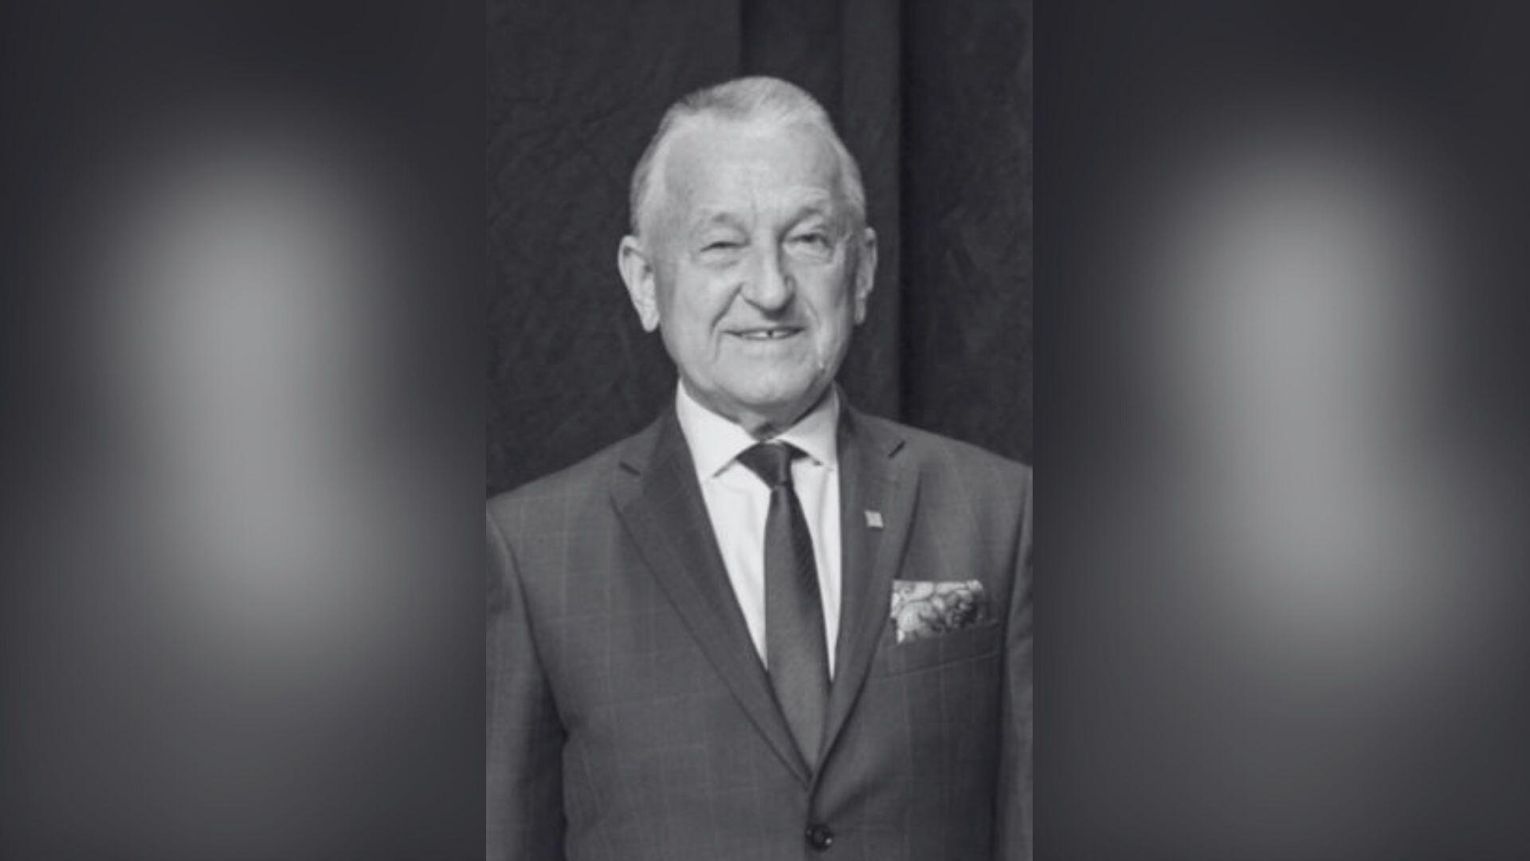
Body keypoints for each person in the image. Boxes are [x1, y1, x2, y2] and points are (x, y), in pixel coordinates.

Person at [488, 76, 1031, 860]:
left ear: (862, 270)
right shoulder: (532, 552)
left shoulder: (1001, 514)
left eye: (808, 239)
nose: (770, 288)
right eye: (721, 245)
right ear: (644, 281)